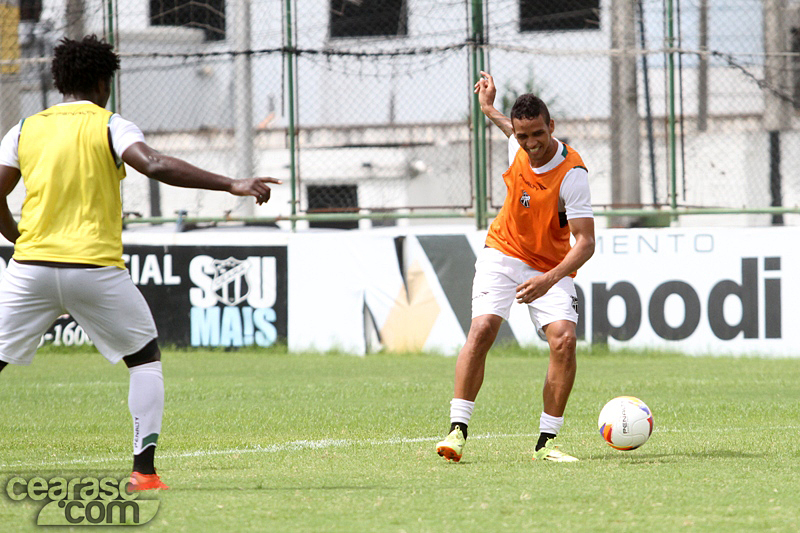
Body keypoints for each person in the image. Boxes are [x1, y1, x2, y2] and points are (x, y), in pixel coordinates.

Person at [0, 35, 281, 490]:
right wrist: (232, 184)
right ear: (101, 80)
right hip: (93, 270)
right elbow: (153, 164)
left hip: (29, 268)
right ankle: (143, 472)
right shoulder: (110, 124)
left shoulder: (24, 128)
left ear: (59, 81)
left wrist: (17, 239)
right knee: (144, 360)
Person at [436, 71, 595, 463]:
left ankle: (547, 443)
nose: (530, 144)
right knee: (482, 328)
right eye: (522, 137)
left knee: (564, 341)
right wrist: (488, 107)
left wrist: (549, 278)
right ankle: (457, 430)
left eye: (537, 134)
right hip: (502, 252)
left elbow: (586, 242)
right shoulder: (519, 146)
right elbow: (508, 128)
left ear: (551, 126)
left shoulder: (572, 175)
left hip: (550, 266)